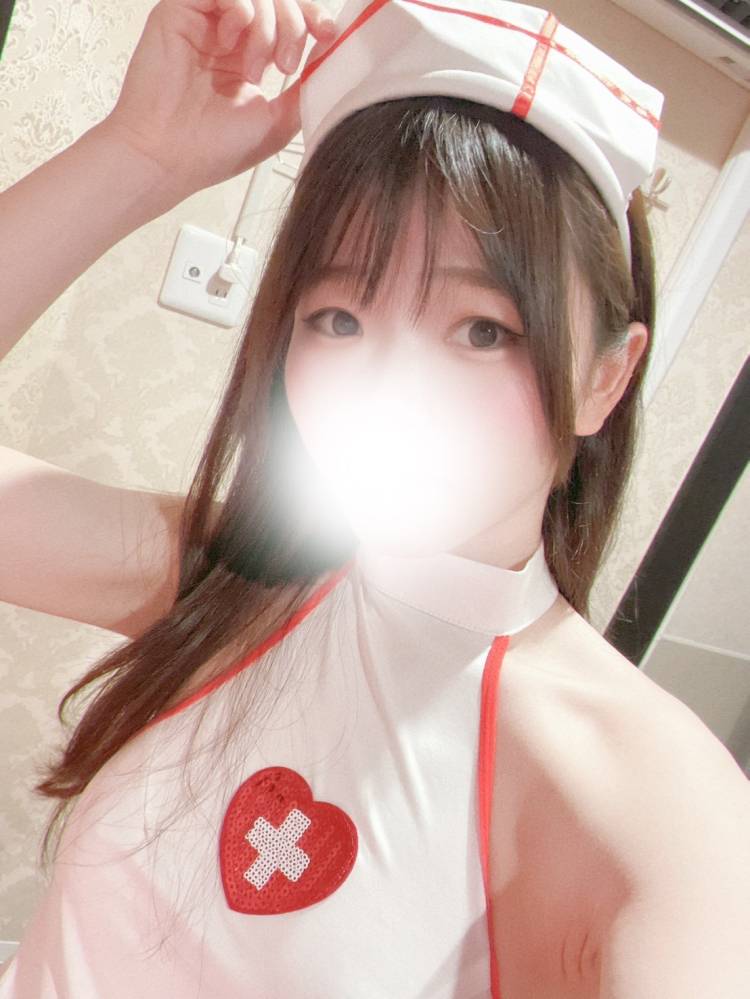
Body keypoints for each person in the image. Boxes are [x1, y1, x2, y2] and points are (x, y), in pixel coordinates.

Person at [0, 0, 748, 995]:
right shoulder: (232, 580)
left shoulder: (657, 805)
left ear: (607, 379)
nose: (389, 387)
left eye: (482, 330)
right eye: (340, 318)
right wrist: (138, 156)